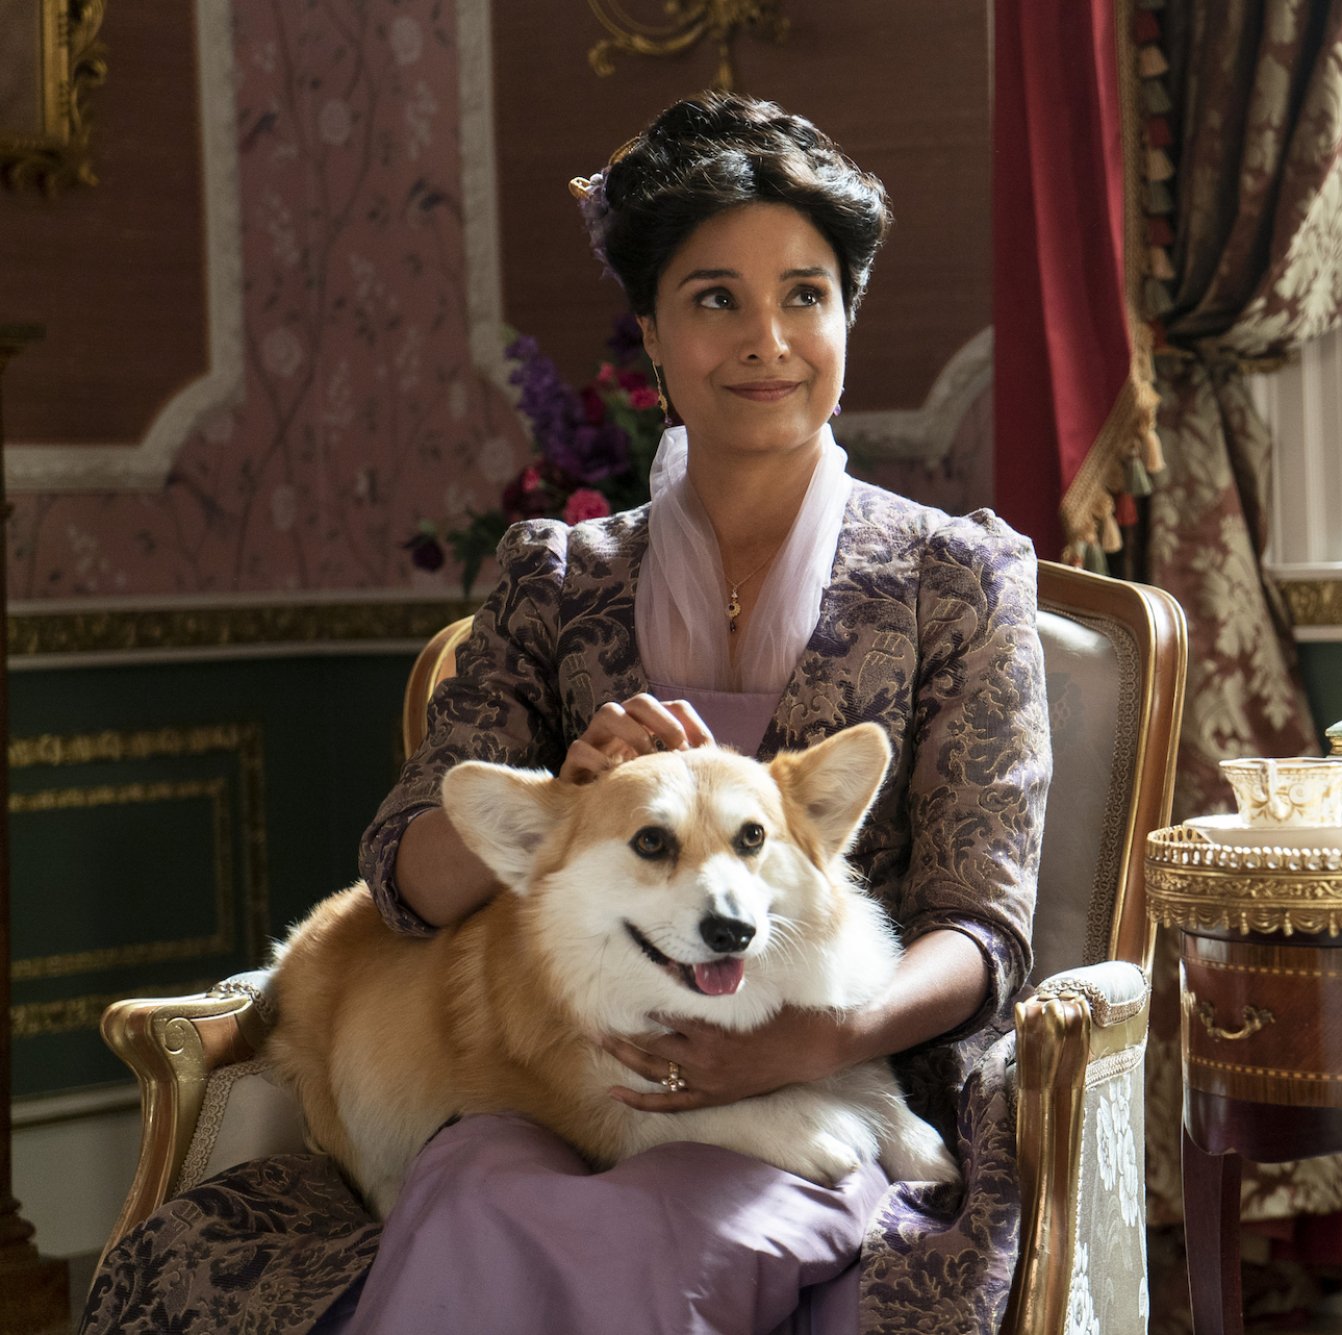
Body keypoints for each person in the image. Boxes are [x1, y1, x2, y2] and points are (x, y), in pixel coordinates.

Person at [81, 91, 1050, 1335]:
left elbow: (984, 923)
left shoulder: (954, 579)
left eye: (805, 295)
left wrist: (813, 1041)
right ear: (650, 333)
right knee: (476, 1194)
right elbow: (402, 884)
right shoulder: (560, 578)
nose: (767, 338)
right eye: (716, 299)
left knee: (658, 1237)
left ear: (846, 316)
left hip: (843, 1079)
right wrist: (560, 796)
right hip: (559, 1083)